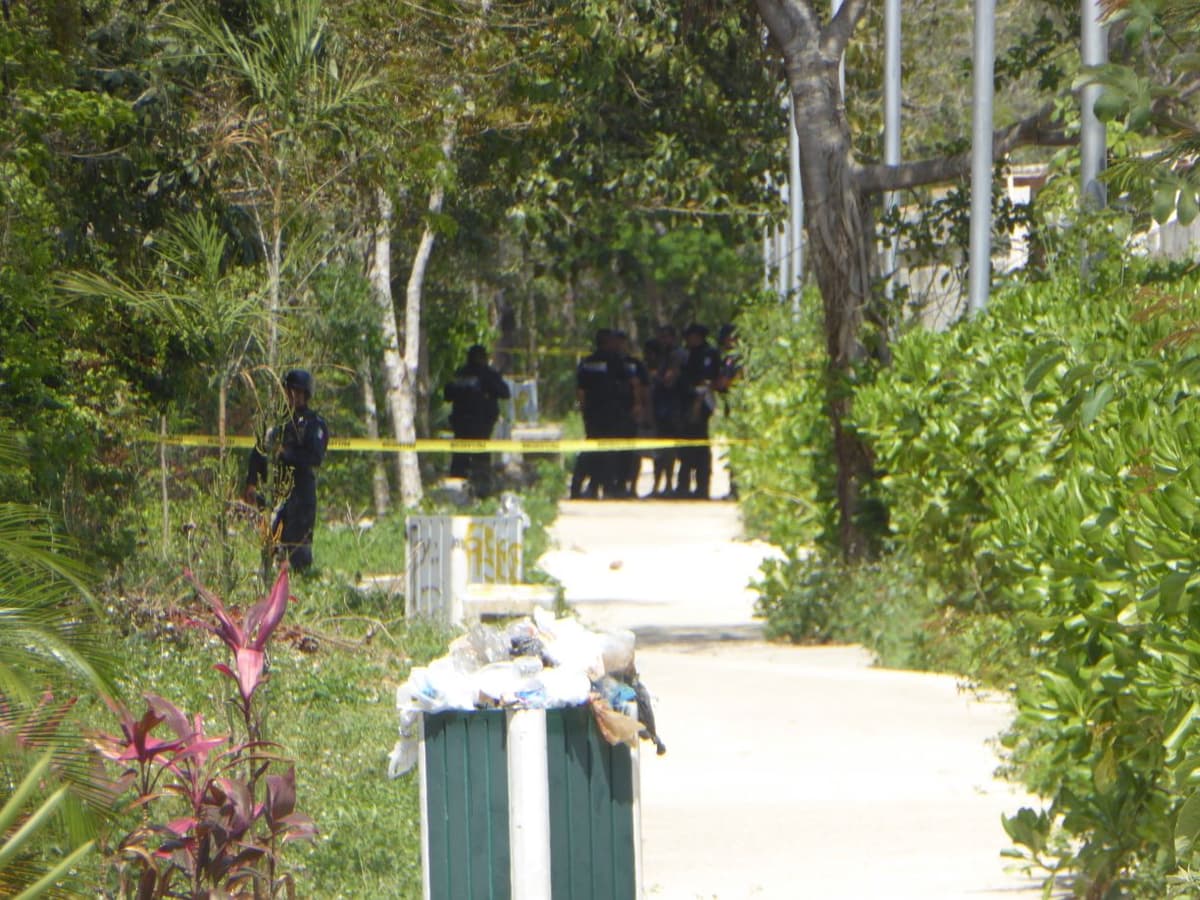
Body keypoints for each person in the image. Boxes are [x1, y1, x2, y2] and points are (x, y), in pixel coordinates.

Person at [244, 368, 329, 572]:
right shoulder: (275, 423)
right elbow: (258, 452)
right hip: (275, 492)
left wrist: (286, 453)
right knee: (271, 545)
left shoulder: (313, 424)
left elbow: (315, 457)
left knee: (298, 550)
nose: (295, 397)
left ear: (306, 395)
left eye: (299, 393)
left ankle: (300, 588)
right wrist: (251, 482)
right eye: (291, 391)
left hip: (301, 492)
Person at [443, 344, 511, 496]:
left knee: (460, 458)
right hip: (480, 424)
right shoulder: (486, 374)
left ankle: (456, 494)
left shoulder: (460, 374)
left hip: (462, 424)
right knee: (480, 460)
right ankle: (482, 493)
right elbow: (504, 392)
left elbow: (447, 394)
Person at [571, 329, 622, 499]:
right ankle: (606, 487)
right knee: (607, 450)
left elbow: (580, 390)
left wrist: (584, 409)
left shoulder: (587, 362)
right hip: (610, 413)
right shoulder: (616, 361)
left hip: (593, 413)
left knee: (592, 448)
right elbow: (628, 383)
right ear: (607, 342)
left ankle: (587, 485)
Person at [675, 323, 721, 499]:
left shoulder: (708, 354)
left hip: (700, 404)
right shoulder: (687, 354)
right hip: (685, 403)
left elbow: (706, 382)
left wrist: (697, 405)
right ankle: (683, 486)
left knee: (700, 447)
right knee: (685, 448)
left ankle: (702, 487)